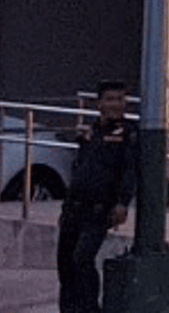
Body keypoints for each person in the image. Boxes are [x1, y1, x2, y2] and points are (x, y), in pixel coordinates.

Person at [56, 81, 138, 313]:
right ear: (100, 103)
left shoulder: (128, 134)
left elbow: (130, 171)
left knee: (82, 258)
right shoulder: (92, 132)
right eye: (111, 99)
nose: (116, 105)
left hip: (99, 208)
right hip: (75, 207)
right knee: (65, 264)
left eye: (121, 99)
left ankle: (90, 309)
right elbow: (80, 169)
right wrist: (65, 207)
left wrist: (123, 202)